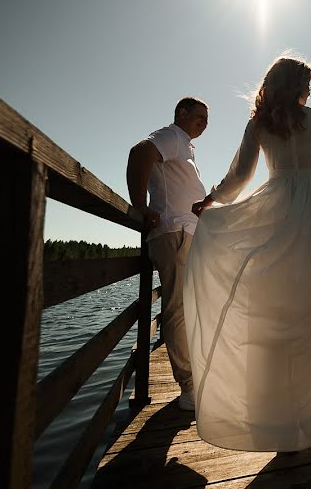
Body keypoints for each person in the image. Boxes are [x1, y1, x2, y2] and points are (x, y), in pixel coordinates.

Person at [183, 55, 311, 452]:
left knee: (272, 319)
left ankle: (271, 420)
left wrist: (210, 200)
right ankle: (309, 421)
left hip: (274, 216)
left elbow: (239, 178)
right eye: (308, 85)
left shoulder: (259, 124)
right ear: (297, 86)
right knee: (308, 320)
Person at [126, 97, 209, 410]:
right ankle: (188, 388)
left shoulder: (184, 145)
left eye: (207, 119)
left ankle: (195, 377)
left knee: (186, 308)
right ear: (182, 114)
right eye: (199, 116)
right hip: (173, 233)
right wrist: (140, 206)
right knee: (176, 308)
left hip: (185, 234)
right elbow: (140, 153)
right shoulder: (172, 135)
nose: (204, 123)